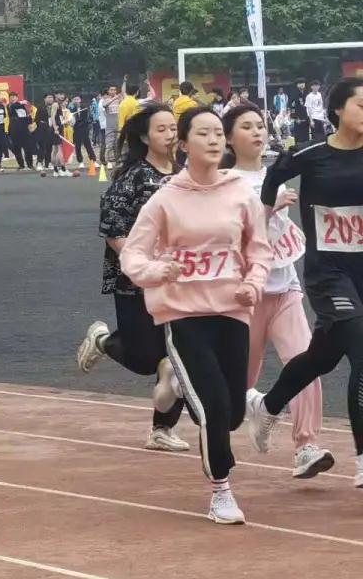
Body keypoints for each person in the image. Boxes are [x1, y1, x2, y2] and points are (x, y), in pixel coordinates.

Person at [120, 107, 271, 524]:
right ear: (183, 144)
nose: (214, 140)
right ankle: (221, 491)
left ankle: (178, 381)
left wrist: (253, 283)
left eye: (219, 133)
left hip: (232, 310)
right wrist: (156, 271)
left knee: (234, 412)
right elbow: (133, 254)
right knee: (216, 408)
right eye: (203, 133)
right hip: (184, 313)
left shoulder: (240, 193)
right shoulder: (165, 199)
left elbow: (260, 250)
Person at [247, 79, 363, 488]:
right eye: (361, 104)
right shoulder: (312, 156)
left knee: (321, 358)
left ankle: (268, 405)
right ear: (337, 110)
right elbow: (272, 178)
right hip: (328, 274)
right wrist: (262, 222)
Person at [221, 102, 333, 478]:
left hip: (285, 287)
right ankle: (249, 411)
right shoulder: (226, 182)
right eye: (247, 126)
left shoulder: (277, 175)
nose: (257, 132)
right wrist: (269, 207)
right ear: (229, 138)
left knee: (306, 364)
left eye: (260, 125)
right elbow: (235, 235)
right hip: (245, 295)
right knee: (238, 383)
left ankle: (306, 446)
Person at [77, 103, 189, 451]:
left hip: (179, 279)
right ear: (144, 137)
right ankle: (104, 342)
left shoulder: (186, 173)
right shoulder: (135, 177)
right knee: (144, 358)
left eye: (173, 128)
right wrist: (140, 264)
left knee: (179, 358)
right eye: (161, 129)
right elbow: (112, 225)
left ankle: (162, 429)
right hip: (135, 280)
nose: (170, 135)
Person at [7, 91, 34, 171]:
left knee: (28, 148)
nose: (13, 99)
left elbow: (27, 116)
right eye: (11, 97)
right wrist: (20, 102)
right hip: (14, 130)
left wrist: (30, 122)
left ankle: (30, 165)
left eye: (14, 97)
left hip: (24, 129)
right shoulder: (10, 106)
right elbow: (13, 107)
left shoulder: (22, 106)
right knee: (16, 148)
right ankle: (21, 165)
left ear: (17, 97)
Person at [71, 95, 96, 168]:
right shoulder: (72, 109)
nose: (76, 101)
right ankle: (80, 161)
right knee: (77, 146)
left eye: (77, 99)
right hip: (76, 129)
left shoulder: (85, 108)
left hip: (84, 128)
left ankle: (93, 160)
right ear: (73, 101)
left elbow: (88, 118)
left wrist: (81, 122)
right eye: (75, 99)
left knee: (87, 145)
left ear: (80, 100)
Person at [102, 86, 123, 168]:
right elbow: (104, 105)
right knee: (109, 144)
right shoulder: (106, 100)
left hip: (118, 125)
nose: (113, 91)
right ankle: (109, 161)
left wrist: (120, 97)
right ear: (108, 91)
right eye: (111, 90)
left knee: (117, 144)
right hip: (110, 126)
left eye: (114, 90)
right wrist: (115, 98)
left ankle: (118, 161)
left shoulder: (119, 100)